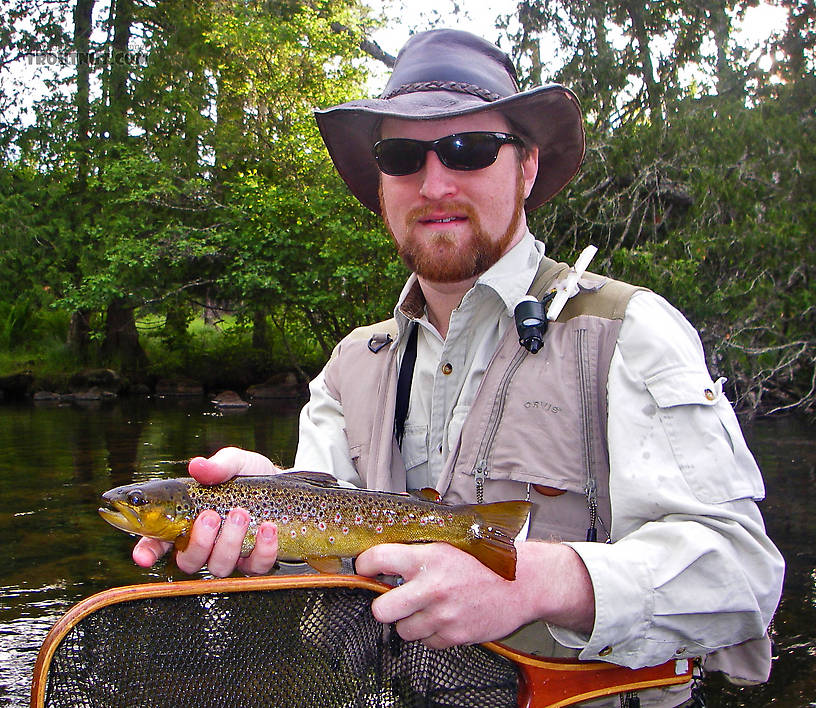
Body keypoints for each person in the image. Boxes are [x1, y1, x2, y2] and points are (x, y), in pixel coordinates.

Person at [133, 30, 783, 707]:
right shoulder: (349, 366)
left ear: (526, 168)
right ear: (382, 182)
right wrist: (264, 504)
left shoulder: (629, 333)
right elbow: (325, 537)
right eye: (403, 155)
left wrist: (541, 581)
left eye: (469, 150)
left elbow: (746, 579)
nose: (434, 182)